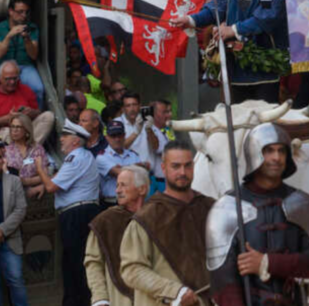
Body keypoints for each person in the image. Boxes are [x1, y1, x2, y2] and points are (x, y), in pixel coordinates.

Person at [207, 124, 309, 306]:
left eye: (281, 151)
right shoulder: (227, 209)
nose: (276, 158)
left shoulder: (304, 205)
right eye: (269, 151)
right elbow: (223, 284)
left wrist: (267, 263)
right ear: (254, 154)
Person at [120, 140, 215, 306]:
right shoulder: (147, 217)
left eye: (187, 166)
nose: (182, 172)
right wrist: (174, 292)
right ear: (163, 168)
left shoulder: (210, 208)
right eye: (176, 166)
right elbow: (132, 269)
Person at [35, 119, 102, 306]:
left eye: (65, 136)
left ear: (75, 141)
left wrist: (40, 168)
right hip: (81, 212)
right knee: (73, 261)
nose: (61, 140)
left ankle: (82, 301)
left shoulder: (76, 157)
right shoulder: (80, 157)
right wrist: (44, 182)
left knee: (76, 262)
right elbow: (54, 180)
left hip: (77, 214)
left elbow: (51, 186)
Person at [85, 165, 148, 306]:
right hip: (120, 300)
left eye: (123, 185)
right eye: (117, 185)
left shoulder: (156, 218)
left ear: (142, 189)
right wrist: (100, 298)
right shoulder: (105, 221)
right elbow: (93, 262)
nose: (117, 190)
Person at [0, 0, 44, 109]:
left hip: (25, 66)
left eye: (26, 12)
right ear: (11, 11)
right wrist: (9, 36)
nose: (24, 15)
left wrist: (27, 39)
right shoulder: (1, 27)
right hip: (4, 67)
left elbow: (33, 55)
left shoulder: (32, 28)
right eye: (20, 12)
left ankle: (35, 115)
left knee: (38, 88)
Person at [95, 121, 147, 209]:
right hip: (111, 203)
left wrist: (125, 168)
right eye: (113, 136)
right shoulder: (101, 157)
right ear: (107, 137)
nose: (117, 139)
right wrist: (136, 166)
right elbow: (121, 173)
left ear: (124, 135)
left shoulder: (133, 155)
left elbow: (142, 176)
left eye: (119, 135)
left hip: (133, 202)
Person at [0, 144, 28, 306]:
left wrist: (2, 229)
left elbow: (21, 208)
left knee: (16, 280)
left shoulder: (14, 181)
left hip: (10, 239)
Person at [0, 61, 54, 144]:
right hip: (6, 131)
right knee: (5, 132)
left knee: (48, 116)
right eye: (8, 79)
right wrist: (6, 119)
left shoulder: (25, 90)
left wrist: (32, 112)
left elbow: (38, 112)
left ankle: (29, 150)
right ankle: (27, 151)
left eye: (15, 78)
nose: (12, 82)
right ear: (0, 78)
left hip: (26, 130)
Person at [5, 113, 50, 200]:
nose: (14, 130)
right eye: (12, 127)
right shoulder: (5, 151)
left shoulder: (37, 149)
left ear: (26, 130)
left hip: (36, 195)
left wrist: (26, 181)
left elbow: (45, 175)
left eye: (18, 127)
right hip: (12, 196)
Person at [144, 100, 174, 194]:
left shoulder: (167, 130)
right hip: (154, 183)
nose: (169, 115)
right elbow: (157, 148)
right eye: (165, 112)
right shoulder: (148, 129)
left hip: (167, 181)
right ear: (154, 114)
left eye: (170, 111)